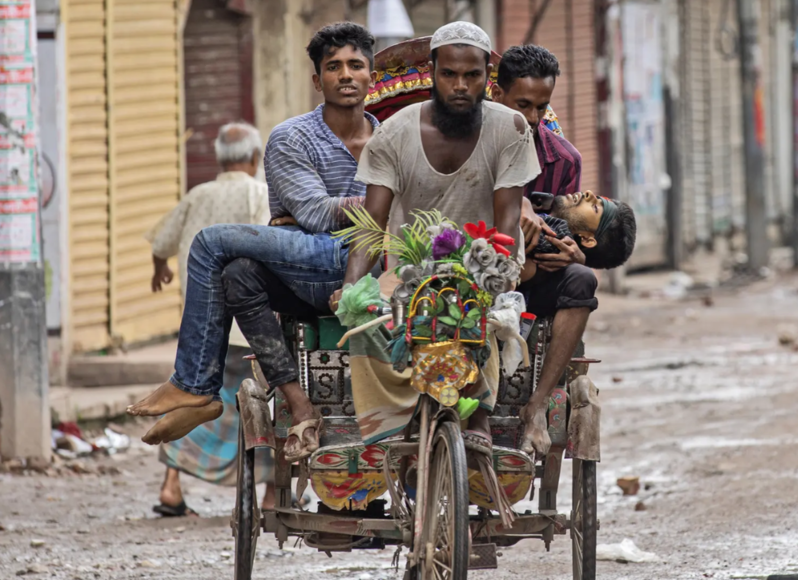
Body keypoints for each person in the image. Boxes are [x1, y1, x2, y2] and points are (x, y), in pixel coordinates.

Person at [126, 23, 380, 464]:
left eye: (356, 65)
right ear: (317, 81)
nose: (345, 75)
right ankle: (287, 402)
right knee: (234, 271)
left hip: (372, 268)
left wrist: (375, 208)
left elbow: (321, 212)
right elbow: (317, 216)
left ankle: (194, 385)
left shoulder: (392, 139)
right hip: (310, 268)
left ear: (371, 77)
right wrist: (383, 205)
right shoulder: (292, 137)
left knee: (211, 245)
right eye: (334, 67)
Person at [334, 22, 540, 448]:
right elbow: (372, 226)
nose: (460, 85)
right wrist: (352, 287)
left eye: (472, 75)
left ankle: (480, 417)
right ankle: (392, 424)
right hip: (414, 272)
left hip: (488, 263)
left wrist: (493, 278)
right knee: (369, 328)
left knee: (477, 315)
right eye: (449, 74)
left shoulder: (512, 129)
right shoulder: (393, 134)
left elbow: (505, 220)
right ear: (432, 72)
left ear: (488, 76)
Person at [490, 44, 637, 455]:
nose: (534, 119)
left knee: (581, 278)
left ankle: (535, 407)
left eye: (542, 107)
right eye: (523, 105)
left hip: (527, 274)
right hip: (471, 257)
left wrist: (575, 254)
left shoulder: (562, 160)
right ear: (498, 97)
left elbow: (566, 225)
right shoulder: (471, 137)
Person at [144, 122, 275, 515]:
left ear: (220, 159)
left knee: (195, 401)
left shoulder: (197, 195)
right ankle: (269, 495)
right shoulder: (259, 194)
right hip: (248, 325)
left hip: (203, 328)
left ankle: (171, 484)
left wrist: (159, 269)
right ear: (254, 159)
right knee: (265, 406)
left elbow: (162, 241)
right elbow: (272, 243)